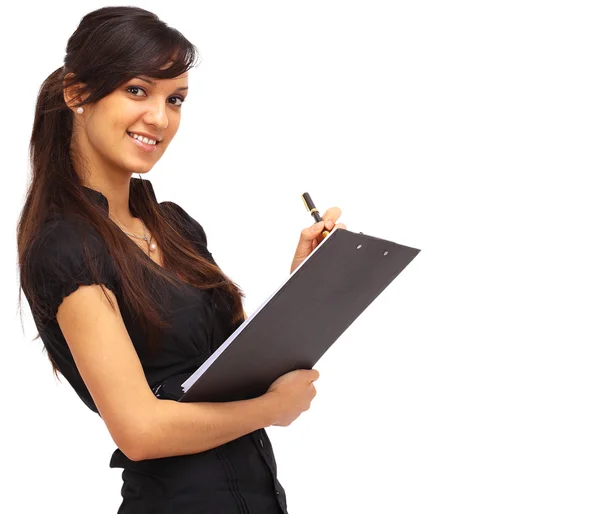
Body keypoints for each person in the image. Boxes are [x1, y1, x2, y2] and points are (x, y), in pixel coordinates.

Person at [16, 6, 346, 513]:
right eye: (136, 90)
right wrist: (270, 410)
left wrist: (304, 281)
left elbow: (232, 366)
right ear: (78, 94)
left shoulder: (174, 226)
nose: (160, 118)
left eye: (175, 99)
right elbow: (141, 431)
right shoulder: (66, 246)